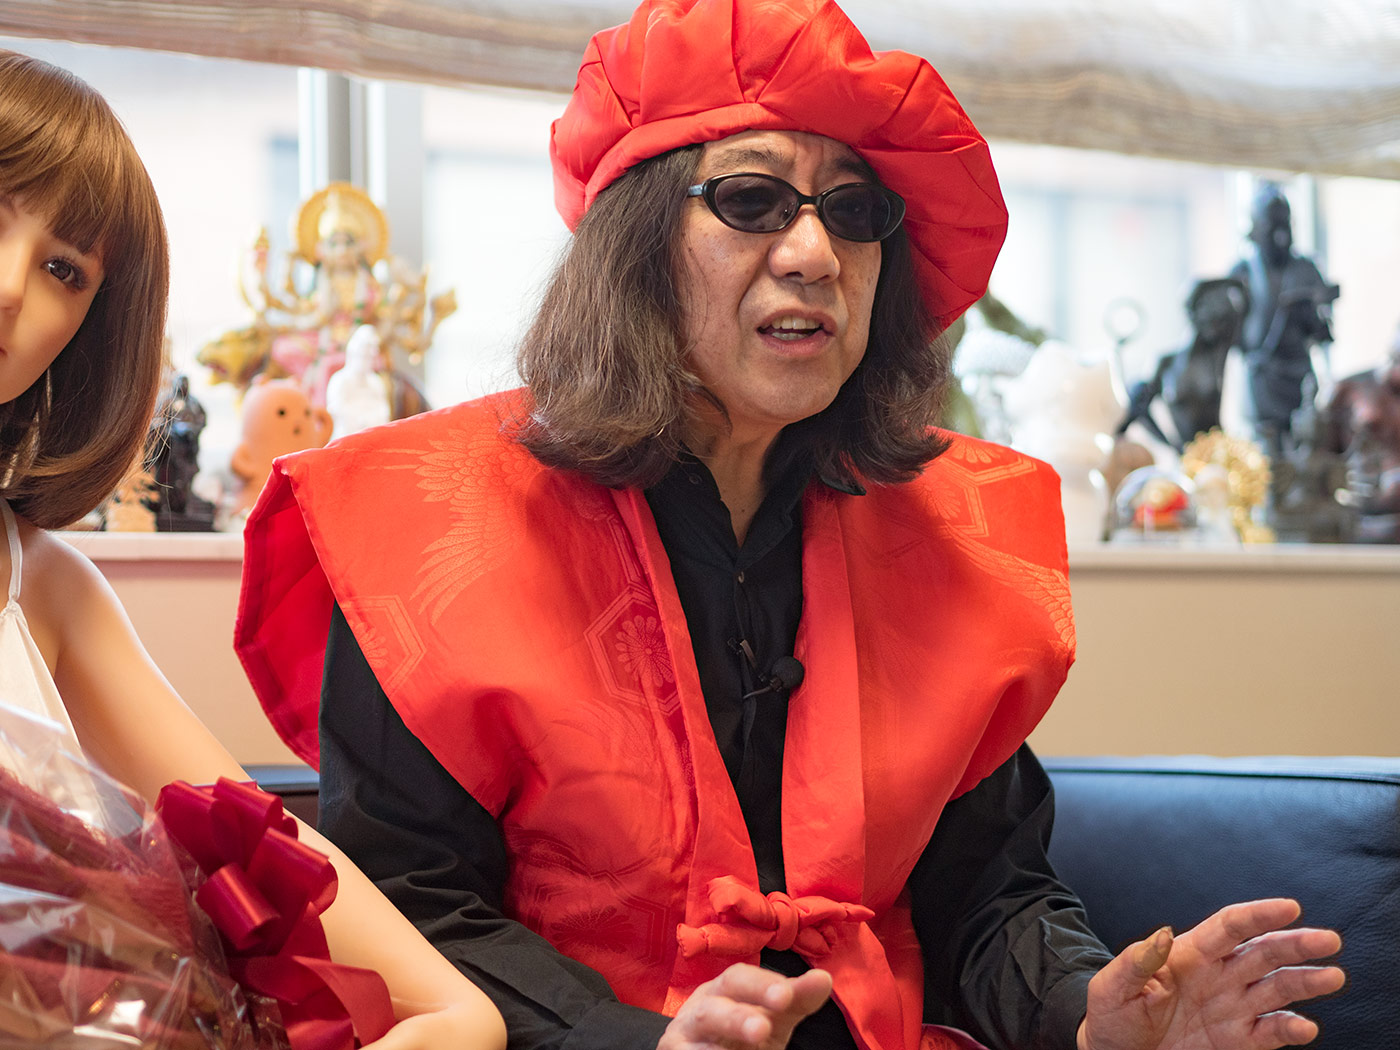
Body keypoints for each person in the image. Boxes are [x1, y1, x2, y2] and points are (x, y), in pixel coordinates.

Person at [236, 2, 1345, 1049]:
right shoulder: (426, 526)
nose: (815, 254)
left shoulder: (950, 539)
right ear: (634, 247)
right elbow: (405, 907)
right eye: (752, 199)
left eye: (853, 212)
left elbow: (986, 891)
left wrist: (1088, 1016)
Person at [0, 48, 506, 1050]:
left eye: (65, 271)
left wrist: (458, 1017)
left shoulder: (46, 588)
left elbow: (257, 840)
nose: (10, 288)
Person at [1229, 183, 1339, 462]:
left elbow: (1324, 333)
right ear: (1255, 229)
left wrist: (1310, 314)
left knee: (1306, 444)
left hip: (1299, 372)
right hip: (1262, 376)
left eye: (1285, 226)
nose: (1280, 236)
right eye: (1271, 227)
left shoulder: (1306, 269)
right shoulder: (1242, 273)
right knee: (1268, 451)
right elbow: (1230, 335)